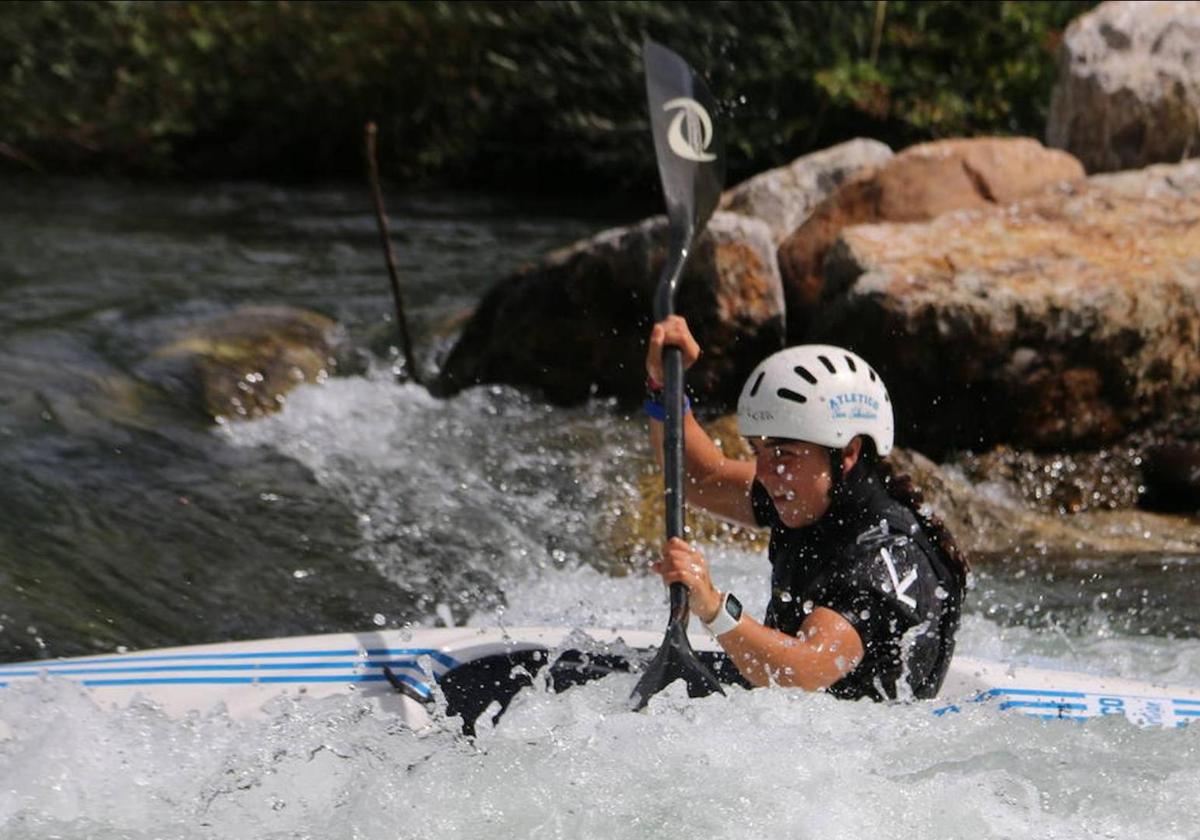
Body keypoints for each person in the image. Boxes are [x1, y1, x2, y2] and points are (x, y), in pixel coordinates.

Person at [644, 316, 968, 701]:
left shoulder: (886, 556)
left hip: (856, 753)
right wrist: (665, 385)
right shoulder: (807, 491)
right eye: (758, 452)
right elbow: (700, 479)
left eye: (783, 453)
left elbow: (805, 669)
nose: (765, 472)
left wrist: (714, 607)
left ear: (848, 452)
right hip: (797, 727)